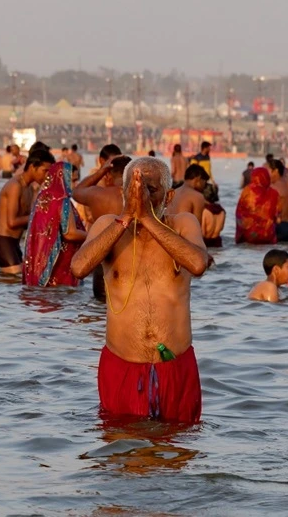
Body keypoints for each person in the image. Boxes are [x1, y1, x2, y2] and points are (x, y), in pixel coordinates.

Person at [69, 157, 210, 423]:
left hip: (175, 365)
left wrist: (147, 218)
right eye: (134, 190)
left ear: (168, 196)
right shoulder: (107, 225)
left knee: (177, 450)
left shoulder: (183, 223)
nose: (141, 196)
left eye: (150, 190)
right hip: (122, 363)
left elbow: (198, 263)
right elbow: (79, 267)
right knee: (121, 448)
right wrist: (126, 217)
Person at [0, 147, 56, 274]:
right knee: (15, 280)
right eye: (45, 171)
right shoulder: (15, 186)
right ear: (32, 167)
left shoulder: (30, 188)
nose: (47, 175)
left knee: (23, 283)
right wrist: (40, 215)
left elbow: (28, 220)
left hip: (14, 244)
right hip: (3, 242)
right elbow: (12, 222)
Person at [23, 162, 87, 287]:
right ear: (62, 179)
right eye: (72, 180)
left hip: (41, 263)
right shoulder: (61, 200)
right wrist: (93, 236)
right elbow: (70, 233)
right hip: (59, 264)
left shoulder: (42, 197)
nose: (75, 185)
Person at [235, 167, 279, 244]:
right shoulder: (274, 193)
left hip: (249, 234)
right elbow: (277, 214)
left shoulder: (247, 191)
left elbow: (239, 212)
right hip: (268, 234)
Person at [268, 159, 288, 242]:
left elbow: (269, 210)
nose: (268, 174)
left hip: (280, 226)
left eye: (269, 171)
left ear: (276, 171)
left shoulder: (273, 186)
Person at [202, 183, 226, 248]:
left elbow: (203, 232)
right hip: (217, 242)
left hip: (206, 243)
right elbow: (221, 228)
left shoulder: (205, 211)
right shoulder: (222, 211)